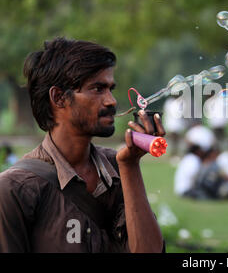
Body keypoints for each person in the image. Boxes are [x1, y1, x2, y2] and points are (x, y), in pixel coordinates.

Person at [0, 37, 165, 253]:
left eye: (110, 89)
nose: (111, 101)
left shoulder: (117, 169)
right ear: (58, 97)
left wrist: (130, 165)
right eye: (97, 89)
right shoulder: (15, 190)